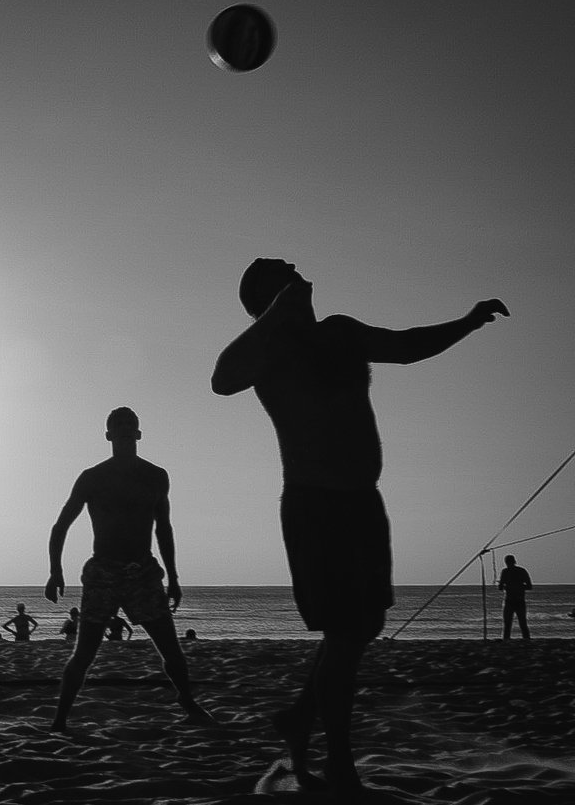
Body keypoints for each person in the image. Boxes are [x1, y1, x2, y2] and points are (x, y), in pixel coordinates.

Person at [211, 258, 508, 797]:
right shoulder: (268, 350)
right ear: (268, 297)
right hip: (314, 505)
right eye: (284, 270)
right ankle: (341, 763)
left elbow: (406, 345)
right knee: (346, 634)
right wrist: (276, 314)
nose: (298, 268)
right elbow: (222, 379)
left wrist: (467, 321)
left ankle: (302, 716)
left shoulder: (341, 333)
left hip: (364, 504)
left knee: (357, 630)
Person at [44, 406, 214, 732]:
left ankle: (188, 702)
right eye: (117, 425)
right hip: (103, 571)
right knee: (84, 653)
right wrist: (55, 570)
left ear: (138, 433)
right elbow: (60, 525)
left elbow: (164, 527)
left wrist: (174, 577)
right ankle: (60, 719)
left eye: (130, 424)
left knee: (172, 650)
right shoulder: (92, 477)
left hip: (143, 571)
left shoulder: (155, 476)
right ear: (108, 435)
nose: (124, 429)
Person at [498, 554, 532, 639]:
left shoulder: (505, 571)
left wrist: (511, 586)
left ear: (506, 562)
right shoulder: (521, 571)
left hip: (511, 601)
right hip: (518, 600)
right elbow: (529, 586)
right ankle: (526, 640)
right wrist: (519, 586)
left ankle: (506, 640)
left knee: (508, 624)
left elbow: (500, 587)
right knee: (522, 623)